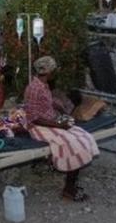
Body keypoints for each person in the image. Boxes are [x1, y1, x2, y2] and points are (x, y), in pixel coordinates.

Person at [24, 56, 99, 201]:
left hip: (50, 121)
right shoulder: (34, 88)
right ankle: (68, 189)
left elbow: (45, 102)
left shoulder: (43, 84)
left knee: (84, 136)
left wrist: (57, 106)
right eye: (54, 70)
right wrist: (59, 126)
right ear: (48, 72)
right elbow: (34, 118)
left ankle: (72, 183)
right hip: (38, 126)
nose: (55, 72)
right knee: (73, 144)